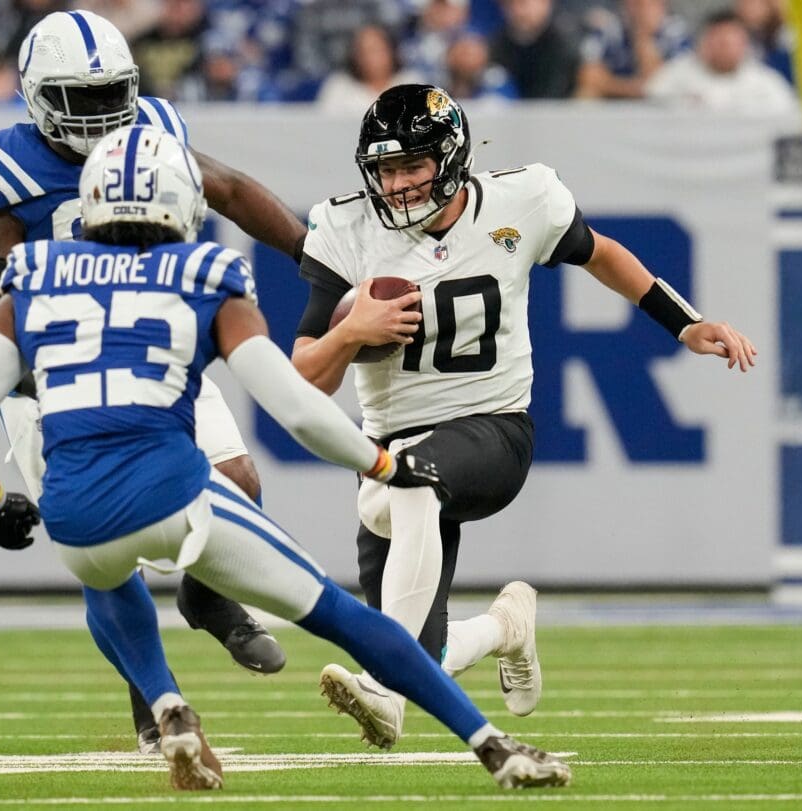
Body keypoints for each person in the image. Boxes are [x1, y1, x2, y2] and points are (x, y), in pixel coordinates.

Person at [0, 124, 573, 792]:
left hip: (70, 511)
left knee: (106, 571)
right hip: (173, 493)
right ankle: (492, 743)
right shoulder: (202, 274)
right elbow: (294, 406)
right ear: (182, 204)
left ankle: (166, 705)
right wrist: (382, 463)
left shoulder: (36, 276)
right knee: (337, 612)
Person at [292, 83, 757, 748]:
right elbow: (302, 372)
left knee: (410, 488)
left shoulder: (521, 201)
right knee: (419, 648)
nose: (395, 185)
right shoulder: (345, 228)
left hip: (494, 430)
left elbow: (603, 254)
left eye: (411, 166)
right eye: (385, 169)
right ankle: (504, 628)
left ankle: (383, 691)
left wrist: (684, 323)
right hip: (387, 446)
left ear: (451, 159)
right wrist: (349, 332)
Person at [0, 9, 305, 755]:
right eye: (81, 98)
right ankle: (152, 694)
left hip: (155, 343)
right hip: (59, 376)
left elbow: (232, 191)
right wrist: (45, 377)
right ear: (37, 95)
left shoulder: (155, 128)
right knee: (102, 547)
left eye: (113, 91)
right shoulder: (2, 171)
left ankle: (208, 595)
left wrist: (309, 251)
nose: (103, 113)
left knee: (238, 478)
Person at [645, 10, 797, 114]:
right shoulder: (676, 75)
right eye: (716, 41)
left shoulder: (765, 82)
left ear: (745, 45)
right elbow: (650, 106)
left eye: (728, 43)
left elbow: (785, 117)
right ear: (701, 43)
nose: (722, 49)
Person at [576, 0, 690, 99]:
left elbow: (660, 85)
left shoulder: (675, 32)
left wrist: (644, 38)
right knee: (587, 93)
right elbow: (588, 77)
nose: (639, 11)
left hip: (659, 105)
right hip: (614, 99)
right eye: (635, 3)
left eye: (646, 4)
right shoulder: (609, 29)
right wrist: (634, 89)